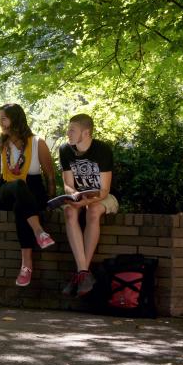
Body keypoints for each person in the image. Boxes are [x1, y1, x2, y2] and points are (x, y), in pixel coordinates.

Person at [0, 103, 56, 287]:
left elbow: (50, 177)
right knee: (18, 186)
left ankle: (26, 266)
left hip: (33, 191)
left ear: (15, 120)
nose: (0, 123)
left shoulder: (38, 142)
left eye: (3, 119)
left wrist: (51, 203)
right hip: (8, 189)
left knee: (21, 207)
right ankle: (39, 232)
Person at [59, 113, 119, 297]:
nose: (68, 133)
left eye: (72, 130)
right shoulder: (65, 150)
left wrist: (86, 201)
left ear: (86, 133)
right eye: (68, 129)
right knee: (69, 211)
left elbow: (105, 190)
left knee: (93, 211)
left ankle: (80, 273)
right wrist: (74, 195)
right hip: (80, 197)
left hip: (104, 197)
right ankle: (84, 272)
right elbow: (68, 185)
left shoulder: (102, 150)